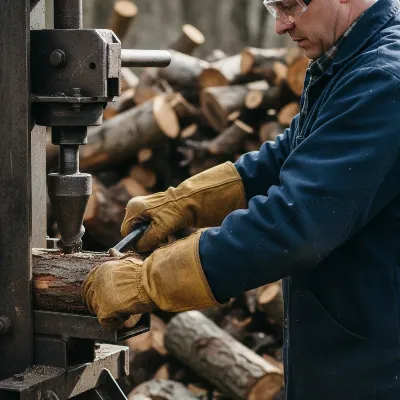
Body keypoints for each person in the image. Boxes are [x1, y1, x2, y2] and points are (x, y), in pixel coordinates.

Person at [83, 0, 400, 398]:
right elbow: (292, 151)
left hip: (375, 365)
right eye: (275, 7)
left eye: (291, 6)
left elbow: (297, 222)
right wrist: (185, 201)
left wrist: (149, 281)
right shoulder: (352, 58)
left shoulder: (384, 79)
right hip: (348, 347)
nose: (281, 26)